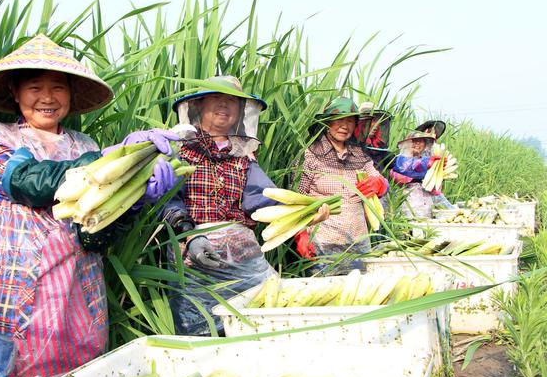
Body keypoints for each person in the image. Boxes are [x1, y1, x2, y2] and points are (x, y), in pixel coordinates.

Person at [0, 34, 177, 377]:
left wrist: (134, 190)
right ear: (14, 90)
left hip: (77, 303)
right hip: (9, 303)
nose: (47, 97)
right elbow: (29, 181)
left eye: (58, 87)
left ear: (72, 94)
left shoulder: (82, 144)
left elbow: (96, 232)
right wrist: (114, 161)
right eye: (35, 86)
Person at [163, 76, 327, 335]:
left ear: (241, 112)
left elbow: (264, 199)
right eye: (217, 98)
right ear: (199, 106)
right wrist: (188, 233)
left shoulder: (243, 157)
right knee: (203, 332)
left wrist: (304, 214)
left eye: (232, 101)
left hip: (243, 260)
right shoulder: (179, 151)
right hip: (193, 257)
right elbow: (167, 200)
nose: (224, 106)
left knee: (259, 324)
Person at [294, 97, 389, 275]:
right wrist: (300, 234)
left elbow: (379, 180)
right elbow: (296, 201)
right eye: (339, 119)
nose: (344, 125)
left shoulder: (360, 156)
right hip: (322, 243)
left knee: (361, 296)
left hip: (358, 242)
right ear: (327, 122)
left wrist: (381, 184)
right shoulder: (309, 156)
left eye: (350, 121)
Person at [389, 120, 454, 219]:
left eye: (421, 141)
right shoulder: (399, 160)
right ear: (407, 143)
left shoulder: (428, 161)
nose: (417, 144)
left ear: (425, 145)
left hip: (426, 204)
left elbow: (436, 191)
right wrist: (422, 173)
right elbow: (400, 176)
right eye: (414, 141)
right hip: (407, 204)